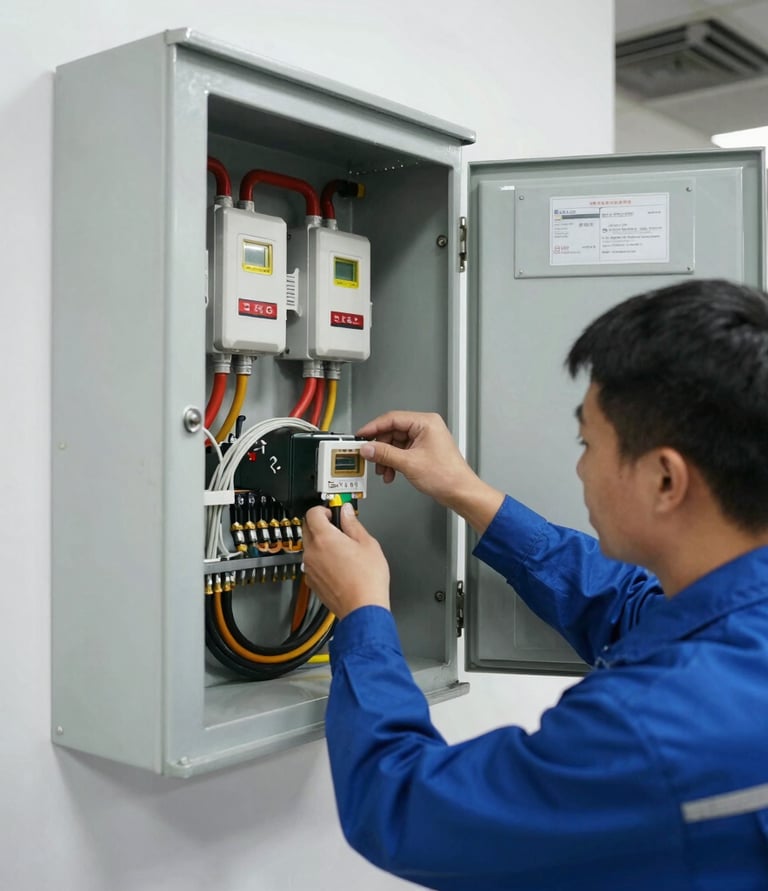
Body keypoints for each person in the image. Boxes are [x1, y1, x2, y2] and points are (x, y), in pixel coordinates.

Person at [301, 278, 768, 891]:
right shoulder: (740, 630)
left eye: (587, 443)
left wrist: (362, 613)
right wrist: (469, 494)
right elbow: (629, 607)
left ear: (664, 480)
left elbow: (408, 810)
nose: (578, 465)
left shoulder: (651, 729)